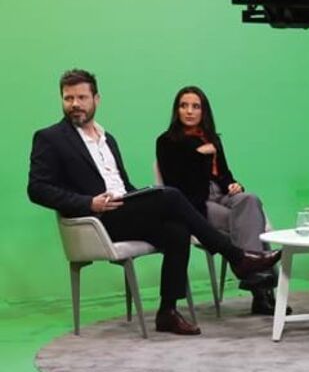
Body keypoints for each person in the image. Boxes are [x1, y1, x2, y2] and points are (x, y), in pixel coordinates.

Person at [28, 69, 280, 336]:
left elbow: (123, 185)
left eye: (81, 97)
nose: (75, 104)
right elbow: (37, 189)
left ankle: (167, 313)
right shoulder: (50, 138)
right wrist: (89, 203)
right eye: (68, 98)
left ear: (96, 99)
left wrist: (141, 196)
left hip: (124, 208)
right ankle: (238, 257)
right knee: (170, 194)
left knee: (177, 230)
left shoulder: (107, 138)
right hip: (97, 219)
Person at [156, 86, 279, 315]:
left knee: (250, 200)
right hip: (195, 201)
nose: (189, 111)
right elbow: (176, 183)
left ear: (203, 111)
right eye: (184, 106)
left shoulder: (212, 139)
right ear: (176, 110)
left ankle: (252, 274)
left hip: (222, 194)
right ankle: (261, 291)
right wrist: (200, 155)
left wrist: (234, 185)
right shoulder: (166, 142)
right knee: (251, 222)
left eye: (195, 106)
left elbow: (224, 174)